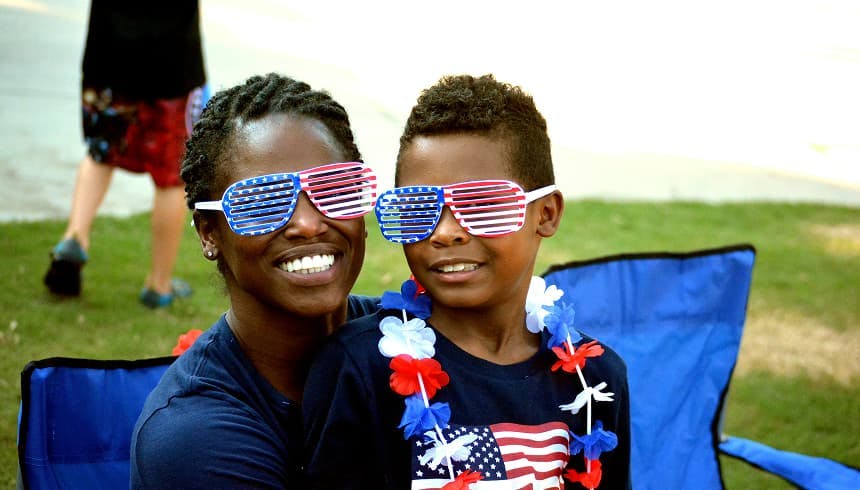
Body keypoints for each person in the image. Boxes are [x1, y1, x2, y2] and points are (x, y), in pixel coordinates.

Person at [302, 74, 631, 488]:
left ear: (545, 214)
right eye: (418, 207)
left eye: (482, 205)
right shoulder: (358, 369)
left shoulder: (596, 378)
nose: (444, 231)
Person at [130, 73, 379, 488]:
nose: (307, 223)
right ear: (209, 232)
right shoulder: (192, 440)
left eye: (333, 189)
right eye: (263, 201)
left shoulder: (408, 336)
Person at [43, 0, 207, 308]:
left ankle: (75, 237)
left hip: (108, 53)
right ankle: (159, 285)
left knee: (100, 153)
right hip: (171, 65)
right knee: (171, 178)